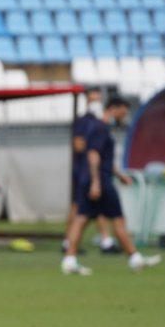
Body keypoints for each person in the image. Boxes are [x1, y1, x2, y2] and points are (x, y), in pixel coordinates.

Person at [61, 97, 161, 275]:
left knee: (82, 218)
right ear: (114, 108)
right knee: (117, 219)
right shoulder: (100, 128)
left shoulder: (99, 128)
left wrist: (119, 175)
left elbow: (102, 158)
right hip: (100, 181)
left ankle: (69, 260)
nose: (124, 116)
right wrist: (96, 182)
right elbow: (93, 155)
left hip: (94, 179)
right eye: (124, 112)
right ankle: (135, 258)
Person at [63, 88, 116, 254]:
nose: (96, 103)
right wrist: (94, 144)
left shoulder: (101, 122)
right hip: (84, 172)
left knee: (96, 208)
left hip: (96, 171)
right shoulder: (83, 122)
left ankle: (105, 240)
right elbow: (80, 146)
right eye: (93, 99)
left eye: (98, 99)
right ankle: (69, 243)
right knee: (79, 208)